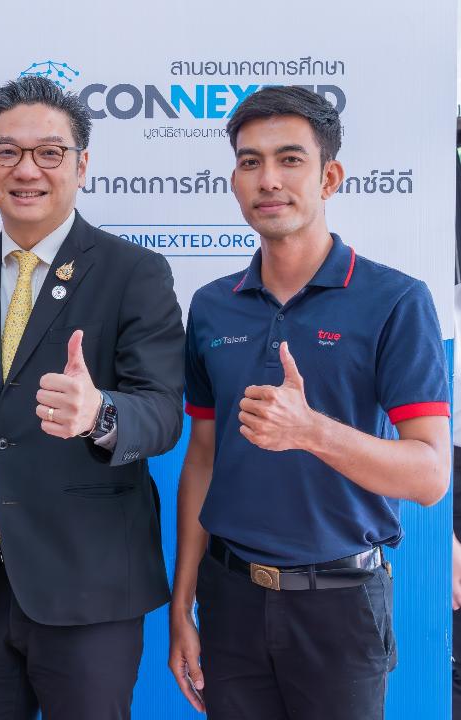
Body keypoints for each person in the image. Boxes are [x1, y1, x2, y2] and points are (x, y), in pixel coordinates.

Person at [0, 75, 185, 720]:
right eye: (8, 152)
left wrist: (99, 413)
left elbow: (164, 413)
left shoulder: (134, 272)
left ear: (81, 166)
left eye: (49, 153)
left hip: (89, 585)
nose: (27, 170)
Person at [168, 86, 451, 720]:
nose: (268, 179)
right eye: (250, 162)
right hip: (229, 598)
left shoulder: (395, 300)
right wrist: (182, 604)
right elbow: (203, 457)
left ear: (330, 178)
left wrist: (310, 431)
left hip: (341, 605)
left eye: (290, 159)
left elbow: (431, 475)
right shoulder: (211, 306)